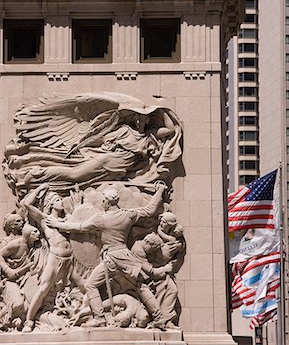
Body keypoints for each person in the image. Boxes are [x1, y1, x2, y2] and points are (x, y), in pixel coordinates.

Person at [46, 182, 167, 328]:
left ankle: (99, 318)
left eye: (103, 200)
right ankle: (159, 319)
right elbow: (150, 209)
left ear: (108, 202)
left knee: (90, 285)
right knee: (140, 286)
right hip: (124, 256)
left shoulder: (100, 219)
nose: (102, 203)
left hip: (111, 258)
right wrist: (159, 190)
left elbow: (78, 227)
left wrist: (57, 224)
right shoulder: (127, 215)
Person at [24, 112, 175, 185]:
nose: (138, 121)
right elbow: (101, 139)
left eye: (142, 118)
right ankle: (38, 173)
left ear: (147, 120)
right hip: (108, 161)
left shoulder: (149, 136)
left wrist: (163, 110)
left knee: (79, 179)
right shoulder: (124, 131)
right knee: (75, 174)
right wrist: (83, 144)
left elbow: (171, 129)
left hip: (118, 169)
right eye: (137, 118)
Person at [21, 183, 73, 332]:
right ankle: (29, 321)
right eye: (57, 200)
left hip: (71, 260)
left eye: (61, 199)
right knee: (44, 288)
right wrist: (38, 190)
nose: (61, 202)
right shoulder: (45, 219)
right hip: (55, 258)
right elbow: (26, 204)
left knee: (76, 287)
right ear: (50, 204)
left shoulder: (68, 219)